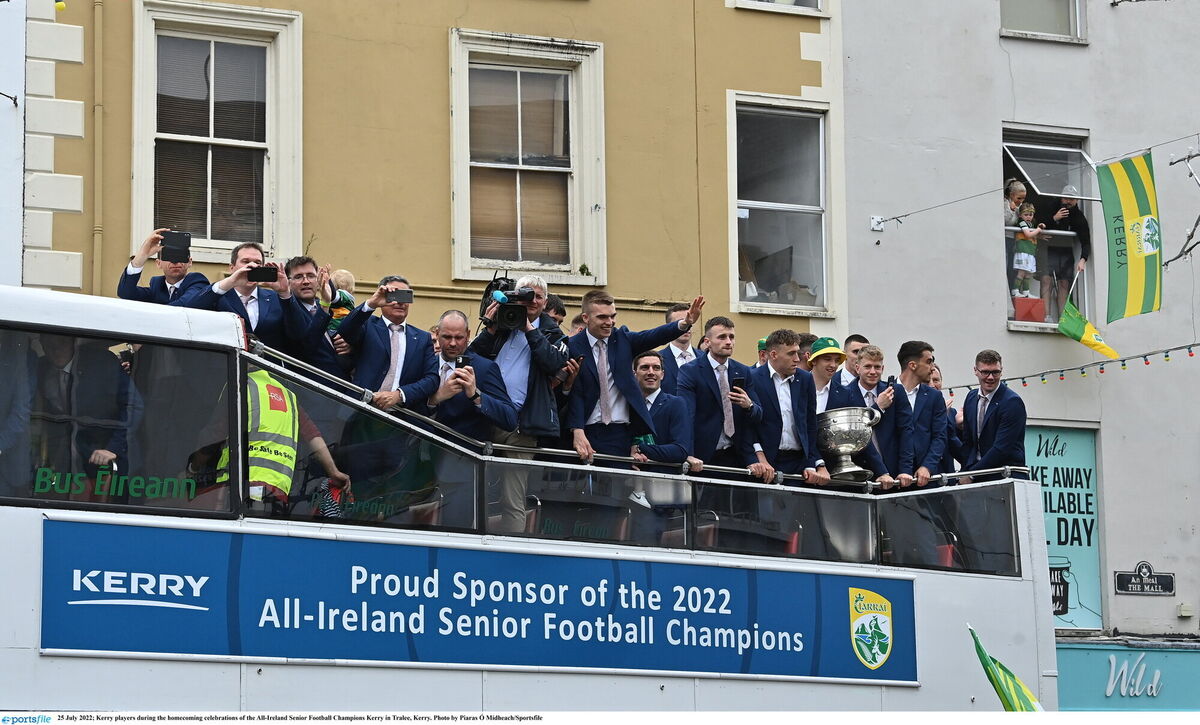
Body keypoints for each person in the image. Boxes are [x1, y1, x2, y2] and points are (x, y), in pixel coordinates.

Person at [468, 275, 568, 533]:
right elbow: (471, 357)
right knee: (474, 490)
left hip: (522, 425)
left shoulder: (554, 334)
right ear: (515, 297)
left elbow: (554, 363)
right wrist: (491, 326)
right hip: (485, 414)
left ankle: (510, 548)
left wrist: (529, 329)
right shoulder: (503, 324)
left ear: (545, 302)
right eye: (525, 296)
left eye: (537, 297)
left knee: (512, 498)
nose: (532, 301)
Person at [567, 290, 705, 463]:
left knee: (619, 480)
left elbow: (653, 336)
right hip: (585, 433)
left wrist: (684, 324)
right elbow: (575, 392)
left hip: (620, 434)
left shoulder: (622, 339)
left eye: (613, 316)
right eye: (602, 317)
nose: (609, 322)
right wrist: (577, 429)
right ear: (586, 318)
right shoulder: (572, 346)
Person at [675, 316, 771, 482]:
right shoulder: (690, 371)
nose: (728, 342)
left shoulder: (742, 371)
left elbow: (758, 415)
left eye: (731, 337)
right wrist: (688, 453)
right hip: (702, 457)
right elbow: (685, 416)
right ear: (707, 342)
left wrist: (748, 405)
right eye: (722, 337)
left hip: (737, 456)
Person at [177, 242, 311, 352]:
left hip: (270, 372)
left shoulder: (276, 298)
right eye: (245, 261)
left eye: (257, 263)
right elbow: (188, 311)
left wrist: (285, 293)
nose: (252, 266)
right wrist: (230, 282)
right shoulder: (218, 296)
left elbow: (299, 334)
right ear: (232, 268)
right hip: (228, 369)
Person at [336, 275, 439, 413]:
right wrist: (372, 303)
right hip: (360, 410)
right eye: (394, 295)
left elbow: (432, 379)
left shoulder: (422, 338)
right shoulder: (368, 325)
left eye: (405, 296)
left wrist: (399, 395)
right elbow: (345, 330)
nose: (400, 302)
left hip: (401, 415)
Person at [749, 329, 829, 483]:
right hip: (765, 464)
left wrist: (813, 462)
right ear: (773, 355)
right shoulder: (753, 378)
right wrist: (760, 457)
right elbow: (748, 426)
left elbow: (810, 424)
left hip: (798, 464)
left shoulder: (805, 379)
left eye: (797, 353)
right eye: (791, 354)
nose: (797, 359)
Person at [829, 344, 913, 489]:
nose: (873, 372)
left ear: (883, 369)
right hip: (861, 474)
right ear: (857, 368)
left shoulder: (895, 391)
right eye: (867, 366)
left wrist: (905, 470)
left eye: (877, 367)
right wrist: (878, 407)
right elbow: (857, 433)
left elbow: (906, 431)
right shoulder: (844, 394)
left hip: (895, 474)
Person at [428, 311, 518, 440]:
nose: (453, 343)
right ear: (437, 334)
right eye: (447, 337)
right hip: (421, 445)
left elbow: (510, 419)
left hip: (462, 449)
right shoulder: (426, 363)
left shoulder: (484, 368)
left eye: (459, 338)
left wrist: (476, 395)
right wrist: (434, 400)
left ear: (468, 335)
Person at [627, 350, 693, 509]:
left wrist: (640, 449)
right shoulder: (625, 404)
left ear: (662, 374)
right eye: (645, 367)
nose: (651, 372)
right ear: (634, 373)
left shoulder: (676, 404)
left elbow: (680, 450)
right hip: (625, 488)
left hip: (661, 495)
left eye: (656, 368)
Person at [956, 349, 1026, 479]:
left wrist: (971, 476)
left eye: (995, 372)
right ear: (975, 370)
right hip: (976, 474)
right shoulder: (971, 397)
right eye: (985, 372)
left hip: (1004, 476)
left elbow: (1001, 449)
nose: (990, 377)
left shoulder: (1012, 402)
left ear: (1001, 371)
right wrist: (964, 472)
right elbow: (968, 443)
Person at [284, 256, 350, 382]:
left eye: (311, 276)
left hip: (345, 385)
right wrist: (325, 304)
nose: (306, 281)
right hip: (311, 387)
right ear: (288, 282)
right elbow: (306, 348)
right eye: (298, 277)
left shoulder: (331, 307)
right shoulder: (288, 312)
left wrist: (349, 345)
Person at [896, 341, 948, 487]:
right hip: (895, 477)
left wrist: (927, 466)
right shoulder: (887, 392)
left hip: (925, 478)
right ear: (912, 365)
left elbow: (940, 436)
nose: (932, 368)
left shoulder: (934, 396)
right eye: (929, 362)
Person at [1041, 185, 1092, 323]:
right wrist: (1055, 218)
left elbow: (1086, 241)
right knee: (1046, 280)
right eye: (1065, 198)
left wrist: (1083, 259)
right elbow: (1038, 223)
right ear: (1061, 197)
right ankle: (1046, 316)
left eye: (1071, 199)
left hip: (1065, 252)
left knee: (1064, 283)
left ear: (1077, 200)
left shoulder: (1078, 216)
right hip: (1048, 249)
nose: (1068, 201)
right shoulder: (1052, 206)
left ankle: (1062, 319)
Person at [117, 228, 209, 304]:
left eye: (180, 255)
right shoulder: (157, 287)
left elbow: (184, 305)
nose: (175, 261)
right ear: (158, 263)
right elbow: (125, 293)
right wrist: (142, 255)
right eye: (168, 256)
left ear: (190, 262)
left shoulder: (197, 283)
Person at [657, 302, 699, 396]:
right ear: (669, 327)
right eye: (682, 323)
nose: (686, 326)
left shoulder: (705, 357)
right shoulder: (657, 360)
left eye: (689, 322)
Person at [1012, 202, 1043, 298]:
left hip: (1030, 251)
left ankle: (1026, 292)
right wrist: (1038, 230)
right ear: (1020, 215)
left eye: (1031, 214)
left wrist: (1038, 229)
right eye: (1026, 215)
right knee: (1021, 272)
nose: (1029, 217)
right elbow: (1028, 234)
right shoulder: (1022, 223)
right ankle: (1015, 290)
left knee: (1028, 273)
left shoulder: (1030, 224)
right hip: (1023, 250)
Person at [1003, 178, 1027, 293]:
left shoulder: (1020, 206)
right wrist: (1013, 211)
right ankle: (1007, 290)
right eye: (1019, 198)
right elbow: (1006, 221)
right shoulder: (1005, 203)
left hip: (1016, 240)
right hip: (1006, 239)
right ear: (1011, 195)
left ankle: (1015, 289)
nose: (1021, 201)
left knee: (1014, 267)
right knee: (1007, 265)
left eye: (1023, 198)